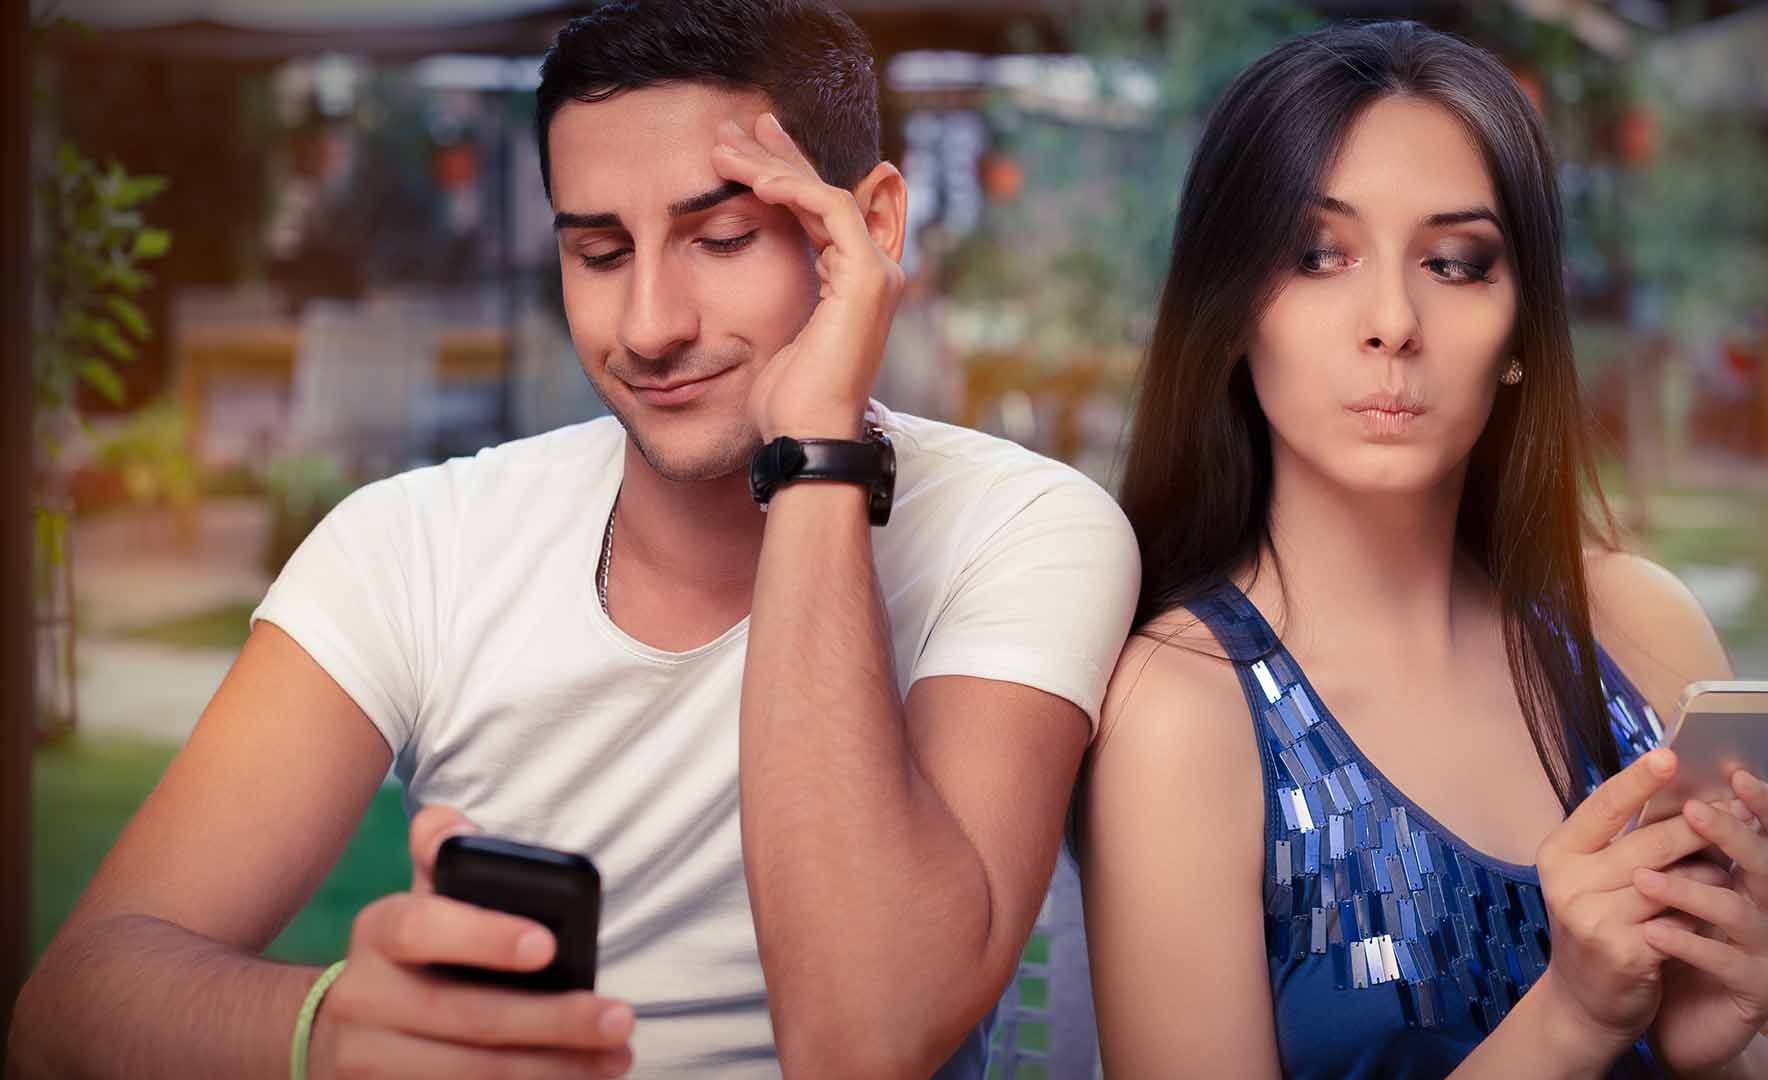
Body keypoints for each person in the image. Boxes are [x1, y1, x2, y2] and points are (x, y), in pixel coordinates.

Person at [10, 2, 1138, 1077]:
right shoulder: (415, 545)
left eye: (724, 236)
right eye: (599, 255)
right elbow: (66, 1008)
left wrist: (814, 456)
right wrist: (325, 1031)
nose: (649, 325)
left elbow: (861, 1042)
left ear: (869, 231)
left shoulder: (1027, 533)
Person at [1077, 21, 1768, 1079]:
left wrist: (1718, 1056)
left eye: (1456, 262)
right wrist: (1569, 1024)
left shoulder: (1632, 626)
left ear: (1523, 328)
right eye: (1318, 255)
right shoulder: (1182, 707)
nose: (1393, 319)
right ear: (1229, 315)